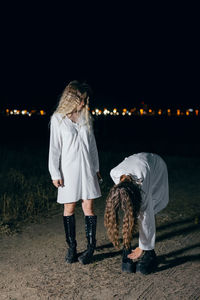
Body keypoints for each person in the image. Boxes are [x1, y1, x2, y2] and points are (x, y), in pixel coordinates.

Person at [48, 80, 102, 265]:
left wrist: (96, 169)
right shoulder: (58, 118)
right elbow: (54, 148)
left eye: (86, 100)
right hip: (68, 170)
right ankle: (72, 247)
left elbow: (92, 145)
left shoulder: (86, 115)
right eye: (82, 99)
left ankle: (90, 248)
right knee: (69, 208)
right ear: (72, 98)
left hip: (87, 169)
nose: (84, 103)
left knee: (88, 208)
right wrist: (55, 173)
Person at [104, 152, 169, 274]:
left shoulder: (143, 182)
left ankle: (150, 253)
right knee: (129, 207)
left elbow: (146, 216)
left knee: (148, 208)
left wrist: (142, 246)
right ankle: (127, 247)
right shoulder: (114, 173)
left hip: (156, 168)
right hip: (137, 167)